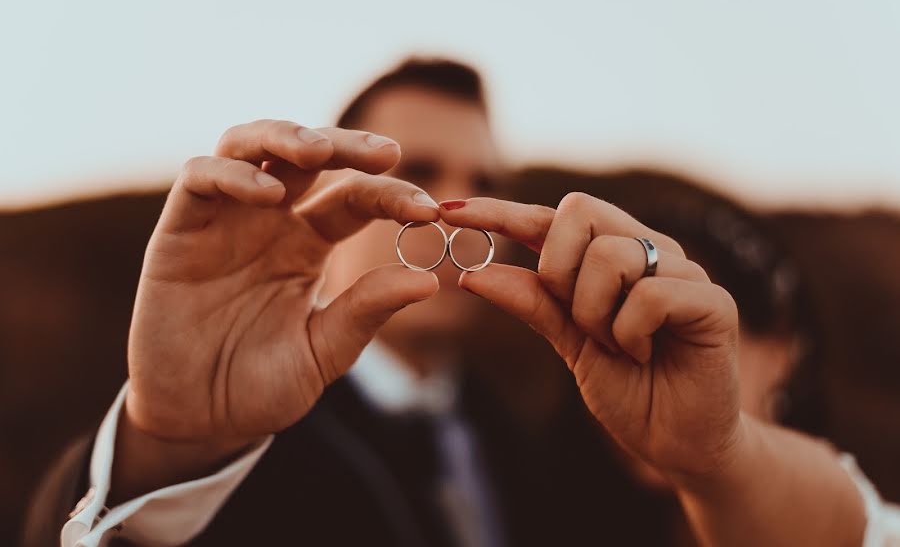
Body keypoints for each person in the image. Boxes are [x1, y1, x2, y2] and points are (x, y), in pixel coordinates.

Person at [21, 59, 894, 547]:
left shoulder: (538, 434)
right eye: (420, 173)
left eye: (482, 182)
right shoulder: (237, 433)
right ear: (336, 193)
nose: (449, 208)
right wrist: (167, 447)